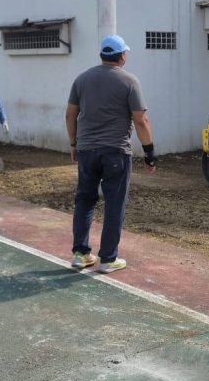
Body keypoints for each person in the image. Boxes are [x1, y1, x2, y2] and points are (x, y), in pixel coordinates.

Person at [65, 34, 156, 274]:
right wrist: (149, 152)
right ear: (122, 55)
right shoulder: (129, 81)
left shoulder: (82, 79)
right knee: (114, 204)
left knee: (85, 200)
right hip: (116, 151)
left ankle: (80, 254)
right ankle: (107, 259)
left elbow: (70, 114)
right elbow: (141, 120)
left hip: (86, 150)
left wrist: (74, 143)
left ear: (101, 55)